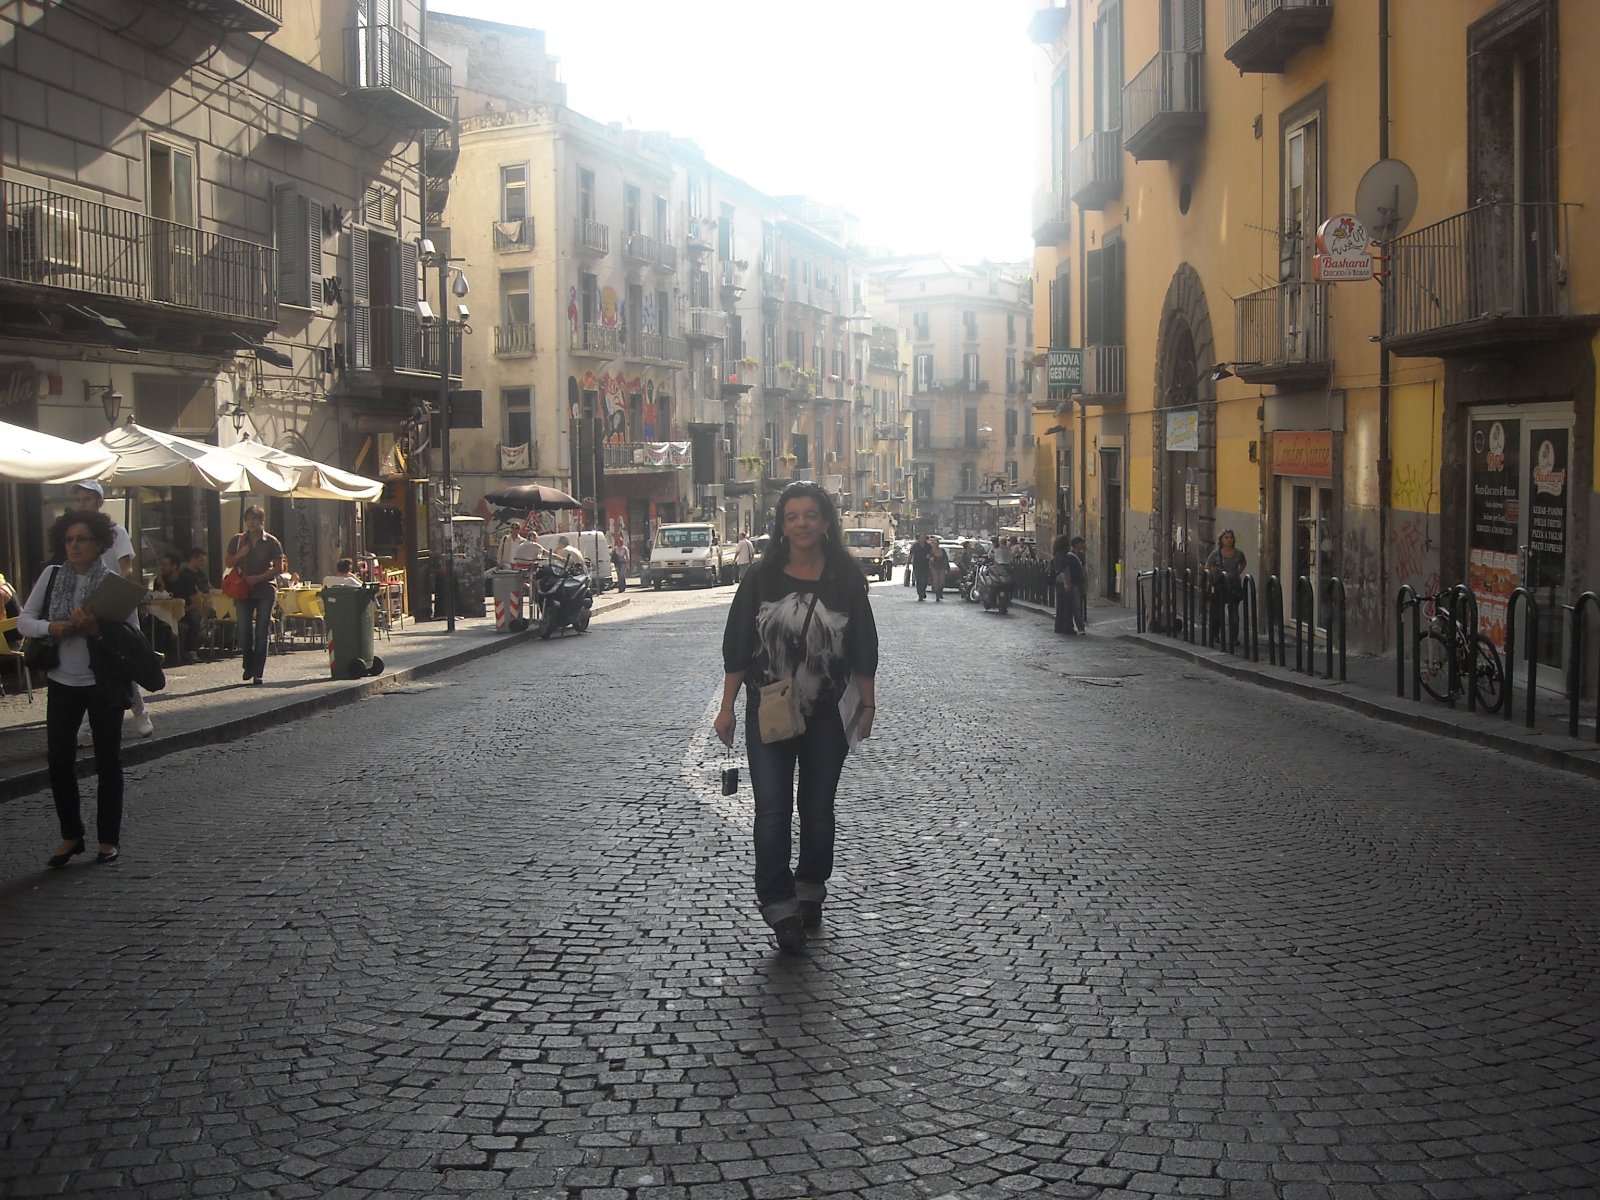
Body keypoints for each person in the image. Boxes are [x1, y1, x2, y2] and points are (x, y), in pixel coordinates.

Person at [715, 481, 878, 954]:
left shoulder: (846, 579)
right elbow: (737, 643)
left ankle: (810, 889)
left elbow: (863, 645)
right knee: (771, 809)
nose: (801, 523)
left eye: (810, 515)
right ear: (782, 526)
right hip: (769, 708)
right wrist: (726, 707)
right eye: (792, 516)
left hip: (828, 712)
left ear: (825, 522)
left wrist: (867, 705)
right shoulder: (761, 578)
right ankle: (779, 906)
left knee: (818, 808)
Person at [19, 509, 140, 867]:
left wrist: (96, 630)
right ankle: (71, 834)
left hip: (102, 683)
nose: (74, 546)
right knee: (59, 760)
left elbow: (133, 638)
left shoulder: (114, 585)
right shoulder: (52, 576)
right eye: (69, 540)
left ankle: (108, 839)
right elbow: (25, 620)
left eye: (82, 539)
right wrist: (51, 628)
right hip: (62, 681)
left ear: (99, 543)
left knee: (108, 761)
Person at [70, 480, 154, 739]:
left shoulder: (117, 532)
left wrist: (113, 593)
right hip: (89, 607)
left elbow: (126, 568)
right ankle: (86, 726)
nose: (82, 504)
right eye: (78, 499)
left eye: (87, 499)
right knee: (93, 663)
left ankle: (140, 713)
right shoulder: (77, 536)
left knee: (123, 661)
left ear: (99, 502)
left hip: (116, 604)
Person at [225, 504, 283, 686]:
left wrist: (259, 578)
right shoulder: (238, 540)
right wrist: (240, 554)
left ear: (261, 521)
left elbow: (279, 567)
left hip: (265, 589)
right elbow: (228, 562)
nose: (251, 522)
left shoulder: (272, 542)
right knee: (244, 630)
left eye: (255, 519)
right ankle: (248, 664)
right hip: (243, 590)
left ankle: (258, 672)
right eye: (248, 519)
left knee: (261, 631)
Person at [1205, 529, 1248, 650]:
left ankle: (1234, 637)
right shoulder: (1215, 554)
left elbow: (1243, 563)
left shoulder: (1238, 554)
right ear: (1221, 540)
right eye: (1226, 537)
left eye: (1231, 537)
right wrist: (1214, 571)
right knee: (1217, 613)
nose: (1229, 539)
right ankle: (1215, 634)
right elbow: (1207, 566)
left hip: (1233, 585)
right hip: (1220, 585)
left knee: (1234, 612)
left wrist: (1238, 572)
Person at [170, 547, 210, 663]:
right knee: (195, 616)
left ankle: (225, 640)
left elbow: (208, 587)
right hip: (186, 607)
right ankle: (189, 649)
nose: (203, 563)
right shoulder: (185, 576)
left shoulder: (201, 574)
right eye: (201, 560)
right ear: (193, 559)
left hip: (200, 604)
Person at [1050, 534, 1077, 635]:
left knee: (1061, 606)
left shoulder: (1057, 554)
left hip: (1059, 582)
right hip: (1062, 582)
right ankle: (1067, 627)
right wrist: (1066, 583)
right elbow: (1062, 570)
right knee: (1067, 606)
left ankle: (1059, 627)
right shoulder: (1062, 555)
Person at [1066, 535, 1088, 633]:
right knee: (1076, 606)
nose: (1083, 544)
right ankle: (1080, 627)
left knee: (1079, 605)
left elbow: (1083, 569)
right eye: (1081, 543)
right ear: (1076, 544)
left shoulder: (1081, 555)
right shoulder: (1069, 555)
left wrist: (1085, 583)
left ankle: (1079, 625)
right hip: (1073, 583)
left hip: (1079, 583)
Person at [909, 533, 931, 600]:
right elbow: (911, 554)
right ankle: (920, 594)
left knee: (925, 580)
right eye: (921, 538)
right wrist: (907, 564)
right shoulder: (915, 546)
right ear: (919, 538)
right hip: (917, 565)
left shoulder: (928, 546)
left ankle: (923, 590)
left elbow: (932, 553)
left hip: (926, 565)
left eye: (924, 538)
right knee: (918, 580)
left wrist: (930, 556)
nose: (923, 539)